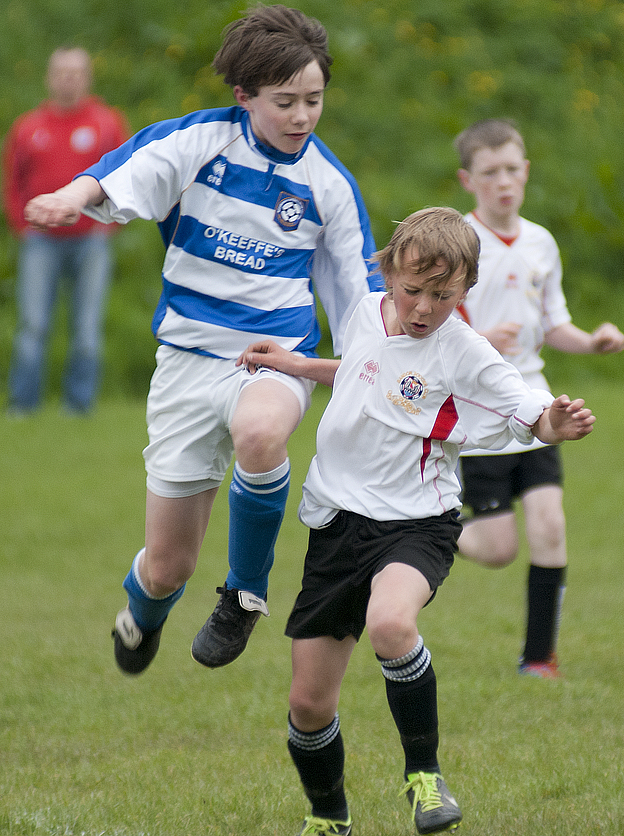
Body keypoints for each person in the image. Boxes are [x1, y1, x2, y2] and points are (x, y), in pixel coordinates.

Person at [23, 4, 382, 676]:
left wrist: (392, 344)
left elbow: (360, 290)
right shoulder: (198, 143)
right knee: (167, 566)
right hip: (187, 362)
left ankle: (243, 595)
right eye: (285, 102)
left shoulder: (329, 186)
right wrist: (73, 197)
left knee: (262, 434)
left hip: (273, 356)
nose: (303, 115)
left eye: (314, 99)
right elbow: (125, 170)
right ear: (244, 96)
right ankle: (143, 614)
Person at [236, 206, 596, 836]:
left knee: (391, 623)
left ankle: (424, 778)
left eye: (444, 295)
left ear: (466, 292)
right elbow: (361, 374)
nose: (425, 308)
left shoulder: (463, 350)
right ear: (388, 274)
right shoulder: (363, 312)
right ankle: (328, 817)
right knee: (308, 703)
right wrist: (294, 365)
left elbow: (522, 400)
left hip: (415, 524)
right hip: (336, 524)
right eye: (412, 292)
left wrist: (551, 424)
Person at [452, 118, 624, 679]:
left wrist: (591, 342)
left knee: (550, 525)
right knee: (500, 548)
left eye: (511, 169)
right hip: (480, 417)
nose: (503, 182)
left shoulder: (540, 242)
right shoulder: (456, 240)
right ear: (467, 180)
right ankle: (430, 526)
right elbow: (426, 329)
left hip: (537, 406)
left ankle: (539, 660)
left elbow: (554, 324)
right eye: (490, 173)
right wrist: (480, 341)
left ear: (525, 172)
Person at [3, 46, 129, 415]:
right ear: (49, 77)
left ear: (87, 78)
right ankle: (22, 405)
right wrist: (21, 225)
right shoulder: (29, 127)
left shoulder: (107, 124)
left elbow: (125, 175)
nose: (68, 80)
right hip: (40, 240)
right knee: (33, 325)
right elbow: (13, 180)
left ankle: (78, 406)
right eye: (61, 72)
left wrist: (113, 223)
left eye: (76, 73)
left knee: (87, 329)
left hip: (91, 239)